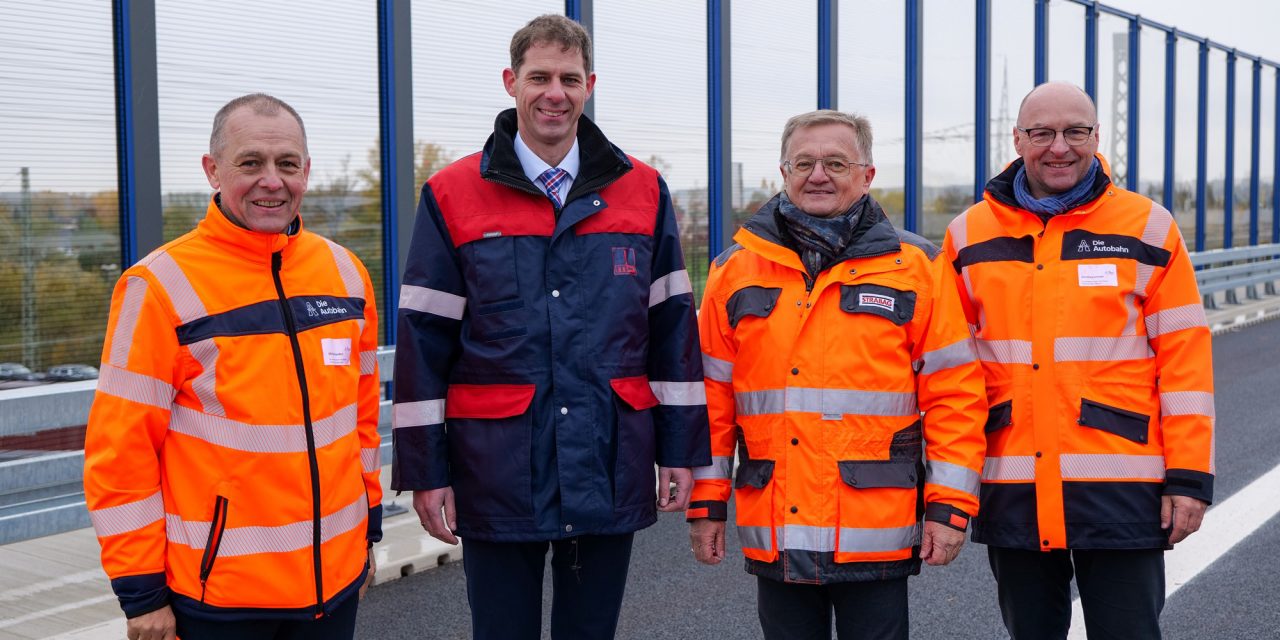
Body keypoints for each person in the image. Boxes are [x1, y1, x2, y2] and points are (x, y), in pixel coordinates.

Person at [390, 14, 709, 640]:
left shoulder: (642, 191)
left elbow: (672, 329)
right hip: (497, 469)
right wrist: (424, 472)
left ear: (589, 85)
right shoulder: (452, 193)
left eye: (569, 78)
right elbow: (422, 346)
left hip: (607, 460)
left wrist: (681, 449)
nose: (553, 93)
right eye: (539, 76)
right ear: (511, 82)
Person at [83, 93, 383, 640]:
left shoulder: (346, 275)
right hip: (219, 599)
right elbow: (119, 454)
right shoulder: (157, 288)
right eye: (251, 163)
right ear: (213, 170)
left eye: (287, 164)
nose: (272, 180)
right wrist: (141, 593)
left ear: (306, 172)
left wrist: (367, 531)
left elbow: (360, 422)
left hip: (335, 584)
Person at [688, 110, 987, 640]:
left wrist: (951, 505)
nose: (818, 174)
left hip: (873, 527)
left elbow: (954, 392)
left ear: (867, 174)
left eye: (835, 162)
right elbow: (713, 399)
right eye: (804, 162)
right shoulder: (734, 271)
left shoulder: (916, 266)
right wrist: (707, 501)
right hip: (777, 524)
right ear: (783, 172)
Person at [943, 82, 1215, 639]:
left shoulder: (1147, 226)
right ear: (1017, 140)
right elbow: (953, 375)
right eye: (1041, 133)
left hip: (1122, 484)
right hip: (1013, 482)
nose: (1058, 147)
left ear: (1097, 136)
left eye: (1075, 132)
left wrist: (1189, 478)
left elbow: (1185, 358)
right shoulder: (967, 235)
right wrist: (949, 487)